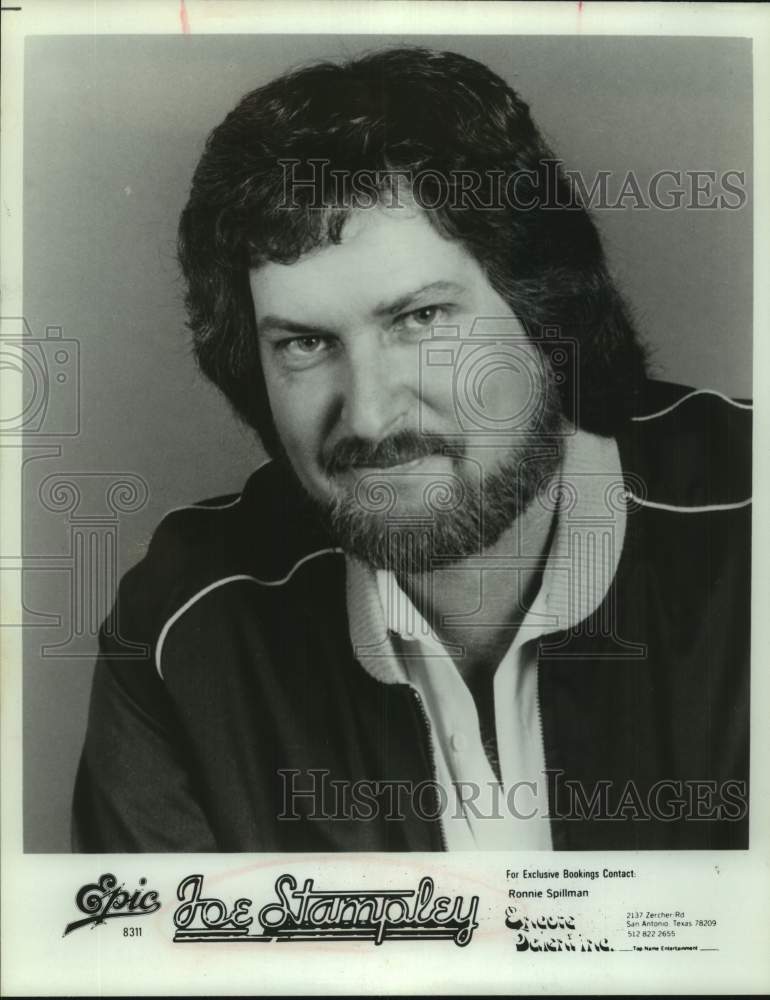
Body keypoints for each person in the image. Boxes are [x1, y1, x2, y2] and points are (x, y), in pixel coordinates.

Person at [72, 46, 751, 852]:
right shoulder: (181, 633)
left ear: (548, 315)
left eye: (422, 319)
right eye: (303, 343)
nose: (368, 413)